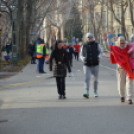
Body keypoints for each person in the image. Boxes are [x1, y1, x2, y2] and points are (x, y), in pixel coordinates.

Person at [103, 33, 134, 104]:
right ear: (118, 42)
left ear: (125, 42)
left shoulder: (128, 47)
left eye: (123, 40)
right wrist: (105, 41)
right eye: (120, 41)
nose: (122, 42)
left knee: (130, 83)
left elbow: (132, 53)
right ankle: (122, 96)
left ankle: (129, 98)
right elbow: (108, 48)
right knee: (121, 84)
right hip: (120, 69)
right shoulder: (115, 48)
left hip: (129, 68)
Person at [80, 33, 103, 98]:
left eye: (91, 38)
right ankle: (86, 91)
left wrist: (98, 57)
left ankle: (95, 91)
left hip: (95, 64)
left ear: (92, 38)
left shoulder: (96, 45)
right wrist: (83, 59)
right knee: (87, 78)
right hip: (86, 64)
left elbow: (101, 52)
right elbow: (81, 55)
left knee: (95, 79)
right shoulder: (84, 45)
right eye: (88, 38)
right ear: (86, 38)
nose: (90, 39)